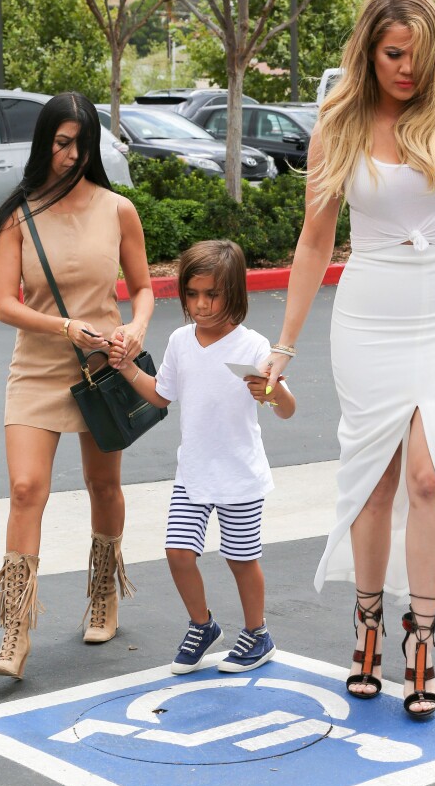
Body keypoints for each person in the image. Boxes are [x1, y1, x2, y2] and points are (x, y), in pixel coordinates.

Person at [261, 0, 435, 720]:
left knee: (428, 478)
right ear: (369, 51)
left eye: (418, 54)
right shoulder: (338, 121)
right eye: (393, 54)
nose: (407, 68)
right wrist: (284, 345)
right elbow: (315, 240)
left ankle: (423, 638)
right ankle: (369, 622)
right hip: (370, 315)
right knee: (374, 483)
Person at [0, 92, 154, 679]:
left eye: (82, 144)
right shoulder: (18, 215)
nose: (72, 155)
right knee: (26, 489)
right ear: (44, 141)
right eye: (62, 142)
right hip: (38, 368)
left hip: (102, 367)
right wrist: (66, 327)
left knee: (103, 485)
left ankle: (103, 594)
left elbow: (143, 288)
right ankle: (15, 629)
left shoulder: (117, 209)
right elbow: (5, 305)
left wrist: (134, 329)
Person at [108, 239, 295, 674]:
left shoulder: (253, 346)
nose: (201, 304)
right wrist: (127, 368)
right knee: (178, 552)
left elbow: (287, 409)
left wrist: (272, 390)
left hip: (240, 475)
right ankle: (203, 625)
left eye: (212, 294)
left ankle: (258, 633)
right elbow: (161, 394)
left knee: (241, 559)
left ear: (235, 293)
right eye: (192, 294)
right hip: (192, 472)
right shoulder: (180, 340)